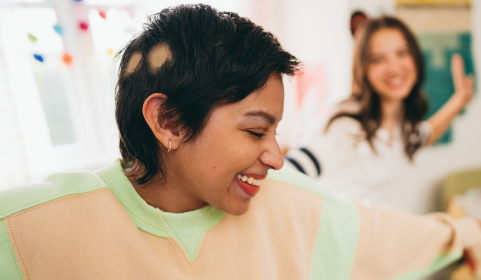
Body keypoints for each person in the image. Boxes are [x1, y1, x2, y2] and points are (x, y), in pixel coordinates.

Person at [0, 5, 480, 280]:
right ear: (168, 121)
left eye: (275, 133)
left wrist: (462, 233)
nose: (274, 155)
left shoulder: (302, 209)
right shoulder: (24, 233)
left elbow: (388, 231)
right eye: (255, 130)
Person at [285, 16, 475, 200]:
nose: (394, 68)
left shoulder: (403, 125)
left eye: (402, 53)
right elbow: (286, 174)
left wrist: (459, 100)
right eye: (377, 59)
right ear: (363, 69)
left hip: (370, 229)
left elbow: (426, 135)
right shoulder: (345, 124)